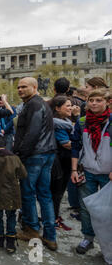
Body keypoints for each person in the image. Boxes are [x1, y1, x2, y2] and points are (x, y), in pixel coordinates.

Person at [14, 77, 58, 251]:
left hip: (35, 155)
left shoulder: (33, 105)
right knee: (45, 195)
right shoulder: (40, 104)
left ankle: (32, 229)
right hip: (46, 153)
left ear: (34, 87)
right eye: (18, 87)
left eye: (24, 87)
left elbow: (32, 133)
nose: (20, 90)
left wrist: (21, 155)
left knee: (28, 193)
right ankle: (50, 236)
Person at [71, 89, 112, 255]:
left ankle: (107, 242)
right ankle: (88, 238)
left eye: (98, 100)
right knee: (86, 206)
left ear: (107, 102)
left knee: (108, 209)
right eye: (91, 100)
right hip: (87, 171)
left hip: (108, 173)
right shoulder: (82, 122)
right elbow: (75, 146)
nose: (94, 103)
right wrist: (74, 169)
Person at [0, 134, 27, 254]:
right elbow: (23, 174)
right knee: (11, 216)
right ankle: (10, 241)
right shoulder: (15, 158)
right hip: (12, 195)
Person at [50, 96, 74, 231]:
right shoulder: (59, 125)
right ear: (58, 108)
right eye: (67, 106)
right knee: (57, 192)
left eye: (71, 105)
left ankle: (54, 216)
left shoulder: (65, 121)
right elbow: (66, 144)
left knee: (58, 191)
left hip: (65, 161)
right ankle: (53, 218)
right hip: (60, 161)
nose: (70, 108)